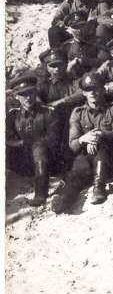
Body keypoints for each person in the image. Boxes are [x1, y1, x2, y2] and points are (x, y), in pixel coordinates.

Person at [52, 73, 113, 214]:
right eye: (88, 89)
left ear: (103, 89)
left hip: (109, 161)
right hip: (86, 160)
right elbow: (73, 144)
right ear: (84, 93)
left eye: (96, 88)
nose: (92, 93)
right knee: (75, 175)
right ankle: (64, 200)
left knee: (101, 148)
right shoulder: (78, 113)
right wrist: (83, 139)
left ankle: (99, 188)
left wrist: (98, 136)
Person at [6, 74, 65, 207]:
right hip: (24, 163)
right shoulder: (12, 115)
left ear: (35, 92)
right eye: (23, 94)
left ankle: (41, 193)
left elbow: (53, 138)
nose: (28, 97)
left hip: (48, 162)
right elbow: (6, 140)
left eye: (31, 92)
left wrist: (30, 143)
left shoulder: (49, 112)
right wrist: (24, 144)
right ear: (16, 96)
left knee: (39, 146)